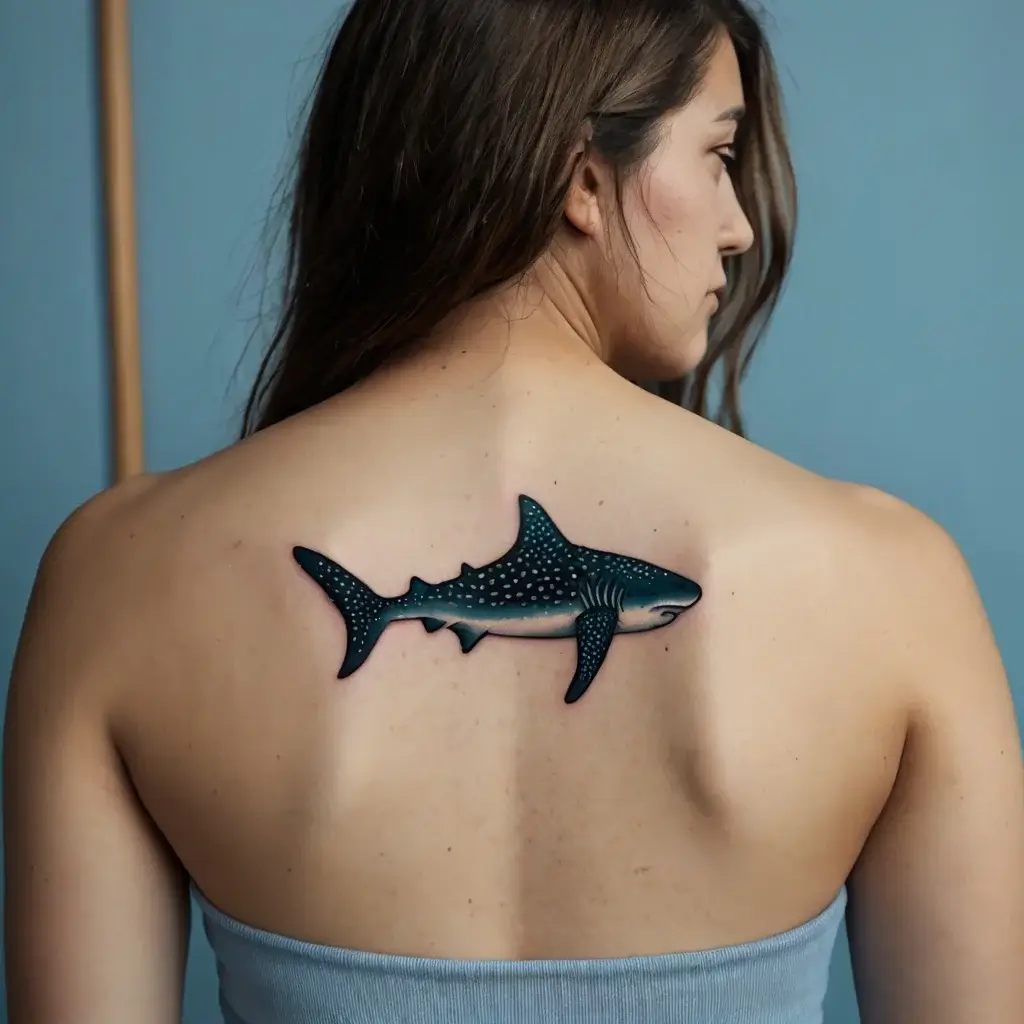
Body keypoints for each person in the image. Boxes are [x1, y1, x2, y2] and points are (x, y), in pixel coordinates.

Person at [5, 0, 1023, 1021]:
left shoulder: (117, 577)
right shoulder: (893, 585)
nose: (739, 226)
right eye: (718, 153)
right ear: (584, 180)